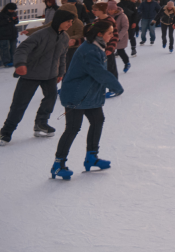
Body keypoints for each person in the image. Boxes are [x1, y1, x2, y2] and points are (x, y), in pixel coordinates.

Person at [50, 20, 124, 180]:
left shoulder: (96, 46)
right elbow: (99, 73)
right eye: (110, 33)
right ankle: (58, 164)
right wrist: (116, 86)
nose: (112, 36)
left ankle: (91, 157)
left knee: (98, 121)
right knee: (73, 128)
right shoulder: (89, 50)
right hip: (77, 95)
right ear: (99, 34)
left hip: (89, 95)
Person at [0, 10, 74, 146]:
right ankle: (5, 132)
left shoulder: (65, 37)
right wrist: (20, 64)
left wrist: (61, 72)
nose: (70, 24)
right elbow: (22, 49)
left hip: (50, 75)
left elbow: (62, 56)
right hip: (31, 74)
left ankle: (41, 124)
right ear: (59, 20)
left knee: (50, 99)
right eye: (68, 21)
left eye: (71, 22)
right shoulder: (41, 34)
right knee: (20, 104)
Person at [106, 0, 132, 74]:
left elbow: (125, 27)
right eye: (109, 9)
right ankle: (110, 67)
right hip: (108, 37)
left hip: (120, 37)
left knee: (120, 51)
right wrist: (91, 25)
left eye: (112, 9)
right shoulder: (106, 16)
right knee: (109, 52)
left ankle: (127, 63)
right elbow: (96, 23)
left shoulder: (122, 16)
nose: (110, 11)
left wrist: (119, 36)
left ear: (116, 9)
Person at [0, 3, 20, 67]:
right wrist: (8, 20)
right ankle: (6, 62)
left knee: (13, 48)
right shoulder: (1, 15)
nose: (12, 11)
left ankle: (13, 60)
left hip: (12, 33)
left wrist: (15, 20)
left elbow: (15, 22)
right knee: (5, 49)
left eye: (13, 10)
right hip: (3, 34)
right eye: (11, 10)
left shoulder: (14, 14)